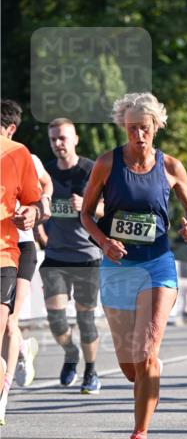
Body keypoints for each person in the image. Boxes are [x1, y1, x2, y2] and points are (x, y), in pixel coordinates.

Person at [81, 92, 187, 439]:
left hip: (157, 264)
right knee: (130, 366)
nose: (138, 135)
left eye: (144, 128)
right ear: (124, 127)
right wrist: (104, 241)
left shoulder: (171, 167)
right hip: (118, 267)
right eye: (132, 128)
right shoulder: (106, 163)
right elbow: (86, 214)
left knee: (148, 350)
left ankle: (139, 436)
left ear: (156, 127)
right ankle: (148, 372)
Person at [41, 118, 104, 393]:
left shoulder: (90, 170)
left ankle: (91, 370)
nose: (58, 144)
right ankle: (70, 353)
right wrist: (41, 233)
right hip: (56, 255)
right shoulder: (47, 171)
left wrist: (88, 207)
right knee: (55, 318)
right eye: (53, 139)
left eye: (63, 138)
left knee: (85, 319)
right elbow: (36, 202)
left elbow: (109, 206)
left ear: (75, 139)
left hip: (87, 255)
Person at [0, 100, 52, 425]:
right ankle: (20, 352)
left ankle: (2, 399)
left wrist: (34, 212)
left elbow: (43, 193)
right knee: (8, 325)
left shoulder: (23, 155)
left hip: (19, 247)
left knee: (10, 322)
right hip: (11, 247)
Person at [0, 125, 42, 405]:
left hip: (4, 255)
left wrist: (32, 212)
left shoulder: (17, 153)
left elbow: (35, 199)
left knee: (10, 324)